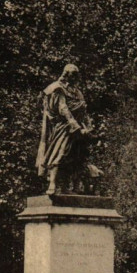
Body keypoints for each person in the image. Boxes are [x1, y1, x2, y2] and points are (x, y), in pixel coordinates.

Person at [35, 64, 97, 195]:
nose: (76, 78)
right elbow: (63, 109)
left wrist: (89, 127)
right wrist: (75, 126)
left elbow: (83, 111)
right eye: (74, 75)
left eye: (77, 75)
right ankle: (52, 184)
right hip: (65, 127)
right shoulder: (57, 88)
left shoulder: (77, 92)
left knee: (77, 157)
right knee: (60, 153)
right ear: (67, 74)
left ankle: (69, 186)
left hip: (79, 128)